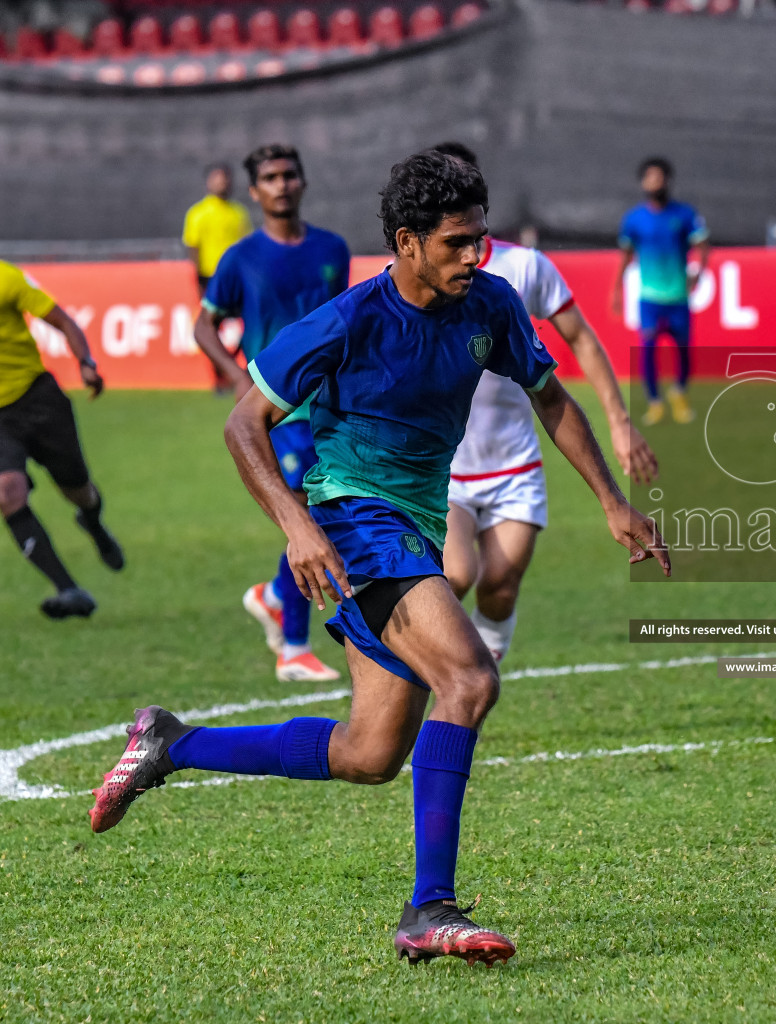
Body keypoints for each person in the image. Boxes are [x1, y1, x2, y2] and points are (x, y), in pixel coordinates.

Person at [89, 151, 669, 964]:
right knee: (468, 679)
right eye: (459, 242)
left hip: (414, 530)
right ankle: (429, 909)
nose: (477, 255)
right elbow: (242, 423)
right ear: (407, 241)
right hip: (354, 521)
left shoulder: (491, 304)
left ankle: (169, 743)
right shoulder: (350, 319)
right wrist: (297, 525)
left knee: (368, 754)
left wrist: (611, 500)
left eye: (482, 238)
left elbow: (549, 394)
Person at [429, 142, 659, 664]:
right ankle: (433, 687)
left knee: (501, 586)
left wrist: (619, 421)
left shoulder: (525, 267)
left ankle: (474, 701)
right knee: (456, 575)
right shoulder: (419, 274)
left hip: (514, 463)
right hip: (443, 467)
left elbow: (579, 339)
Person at [193, 144, 351, 683]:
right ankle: (294, 649)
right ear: (255, 191)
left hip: (331, 408)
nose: (282, 184)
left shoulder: (333, 248)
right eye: (270, 178)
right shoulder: (240, 258)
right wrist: (239, 380)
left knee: (328, 513)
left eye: (289, 175)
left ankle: (274, 595)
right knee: (303, 513)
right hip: (279, 413)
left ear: (303, 182)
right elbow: (203, 324)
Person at [0, 260, 123, 618]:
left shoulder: (6, 278)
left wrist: (86, 363)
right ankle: (68, 590)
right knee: (7, 492)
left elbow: (64, 322)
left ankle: (93, 523)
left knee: (78, 489)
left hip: (37, 400)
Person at [609, 157, 709, 426]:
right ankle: (654, 402)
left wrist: (699, 271)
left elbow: (702, 244)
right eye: (649, 177)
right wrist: (616, 289)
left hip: (678, 297)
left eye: (659, 177)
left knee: (683, 350)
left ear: (667, 180)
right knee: (648, 348)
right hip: (650, 299)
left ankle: (679, 393)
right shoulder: (634, 219)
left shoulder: (684, 214)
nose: (654, 182)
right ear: (643, 182)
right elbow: (625, 255)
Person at [182, 163, 253, 393]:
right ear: (208, 182)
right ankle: (220, 378)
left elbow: (249, 247)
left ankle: (236, 365)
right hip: (210, 278)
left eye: (226, 178)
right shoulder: (198, 213)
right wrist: (198, 281)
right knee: (210, 329)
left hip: (239, 279)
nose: (222, 182)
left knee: (252, 323)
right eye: (217, 178)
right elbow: (193, 247)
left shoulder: (239, 213)